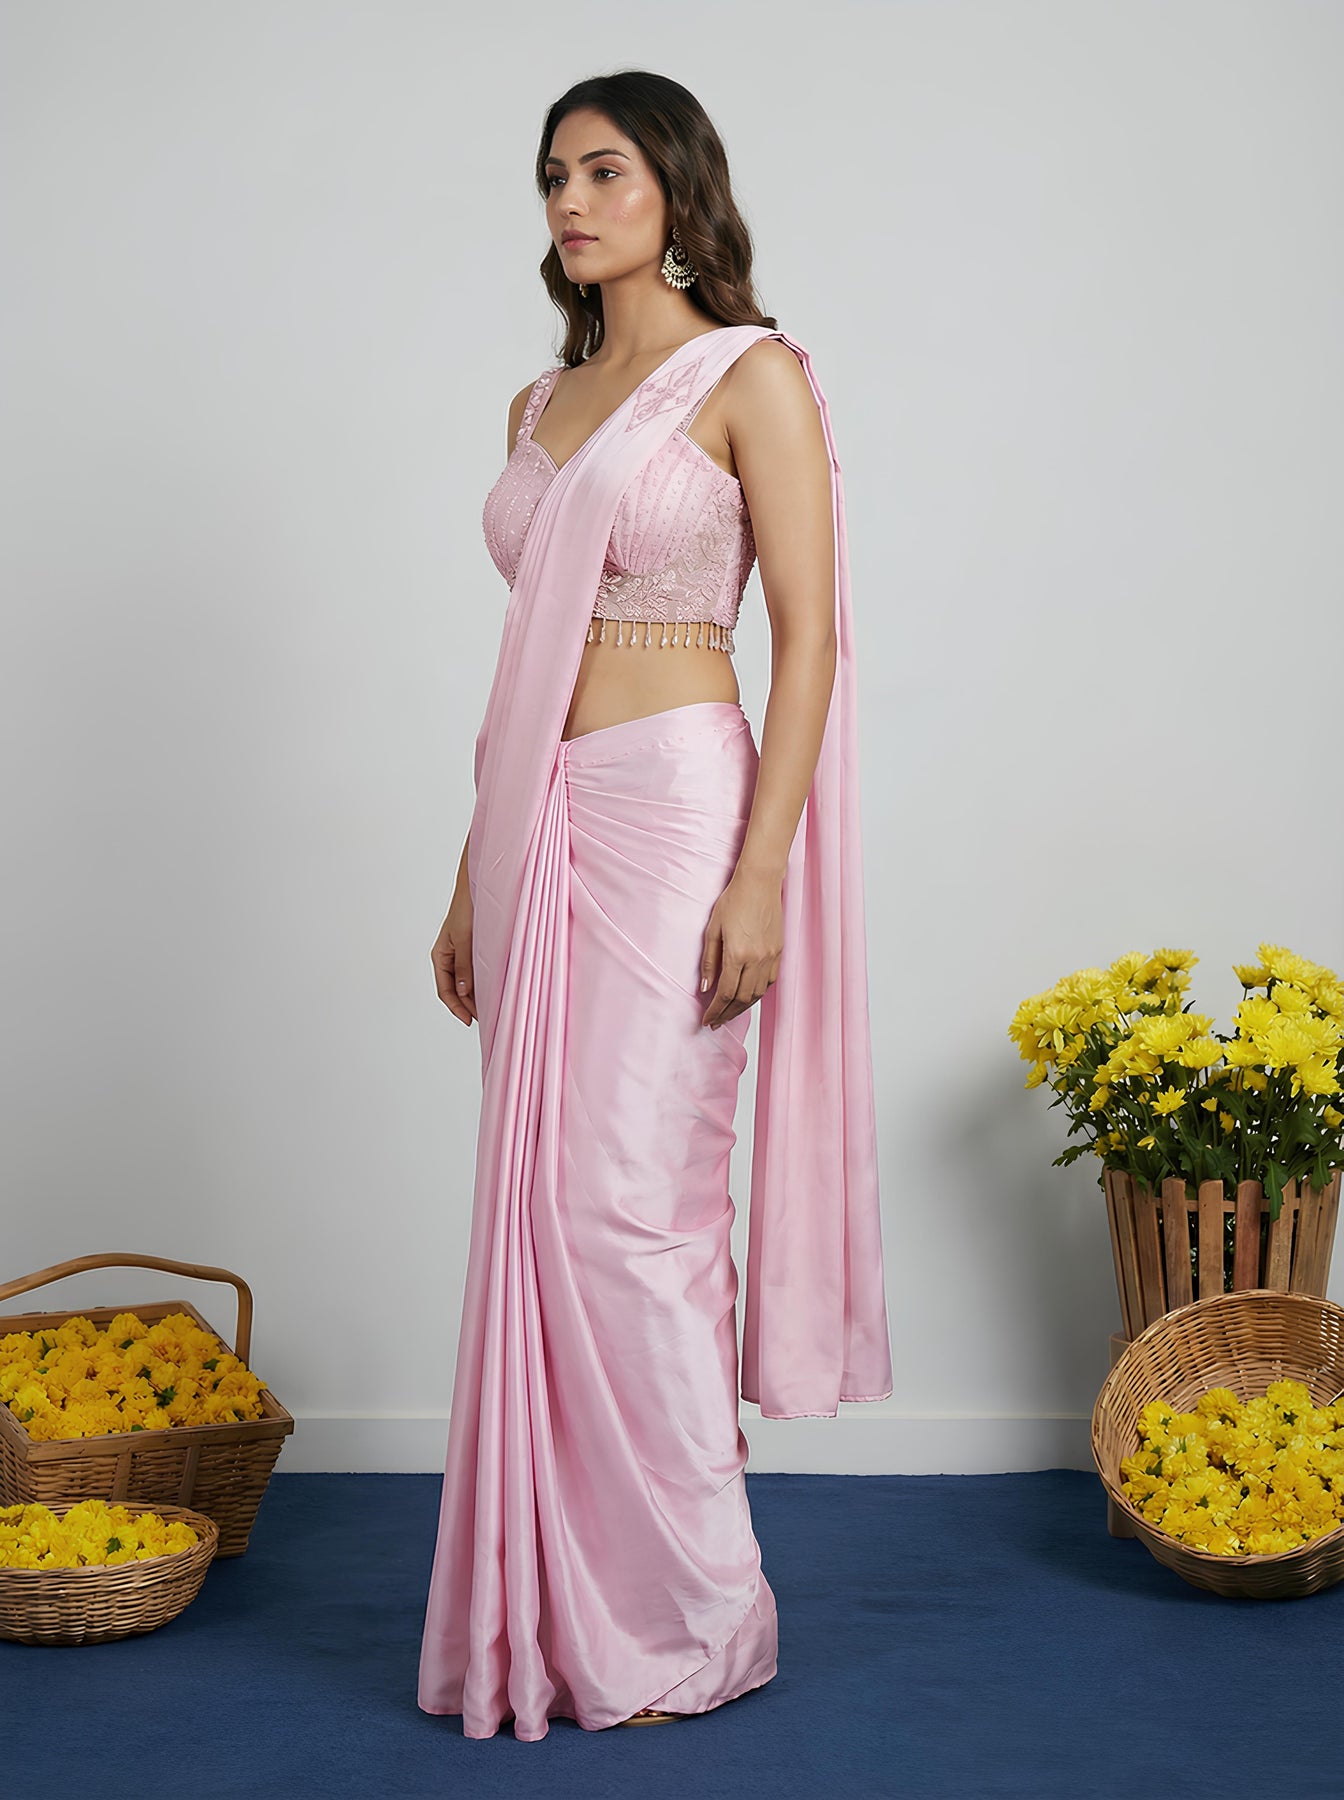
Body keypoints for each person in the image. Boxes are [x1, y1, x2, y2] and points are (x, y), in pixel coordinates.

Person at [417, 70, 893, 1741]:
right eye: (553, 174)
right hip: (536, 818)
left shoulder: (752, 375)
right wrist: (471, 871)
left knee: (639, 1213)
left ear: (678, 189)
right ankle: (564, 1606)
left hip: (683, 809)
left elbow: (811, 641)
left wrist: (763, 868)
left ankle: (696, 1615)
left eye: (604, 170)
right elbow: (520, 667)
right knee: (545, 1214)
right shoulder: (538, 403)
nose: (570, 200)